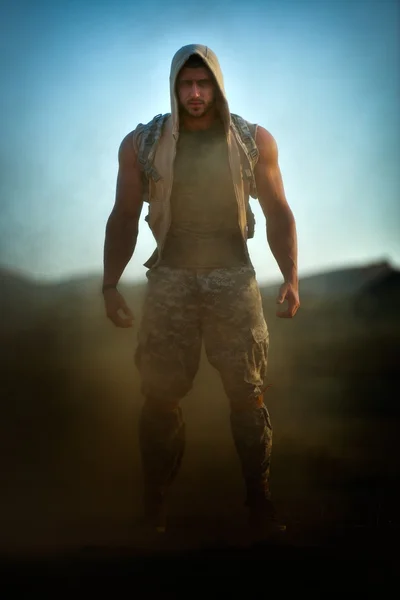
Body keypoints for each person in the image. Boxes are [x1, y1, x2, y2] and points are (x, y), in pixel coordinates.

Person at [102, 44, 300, 537]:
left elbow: (278, 210)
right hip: (170, 276)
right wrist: (110, 283)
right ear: (174, 87)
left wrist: (291, 278)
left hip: (234, 275)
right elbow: (125, 215)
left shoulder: (252, 140)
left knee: (248, 396)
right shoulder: (143, 143)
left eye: (203, 83)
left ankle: (260, 503)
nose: (195, 93)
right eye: (186, 84)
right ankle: (154, 508)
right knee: (160, 397)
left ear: (217, 85)